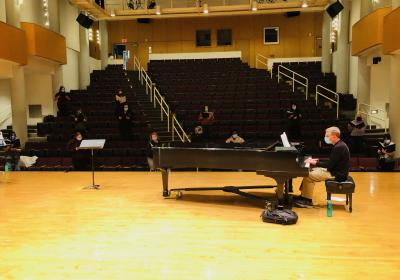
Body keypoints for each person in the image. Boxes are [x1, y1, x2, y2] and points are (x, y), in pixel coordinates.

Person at [293, 127, 350, 208]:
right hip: (335, 170)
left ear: (334, 136)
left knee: (309, 176)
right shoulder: (340, 144)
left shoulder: (339, 147)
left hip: (337, 174)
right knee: (311, 170)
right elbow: (332, 160)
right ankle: (303, 195)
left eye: (327, 136)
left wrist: (315, 162)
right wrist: (318, 159)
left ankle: (307, 200)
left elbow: (329, 165)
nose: (326, 138)